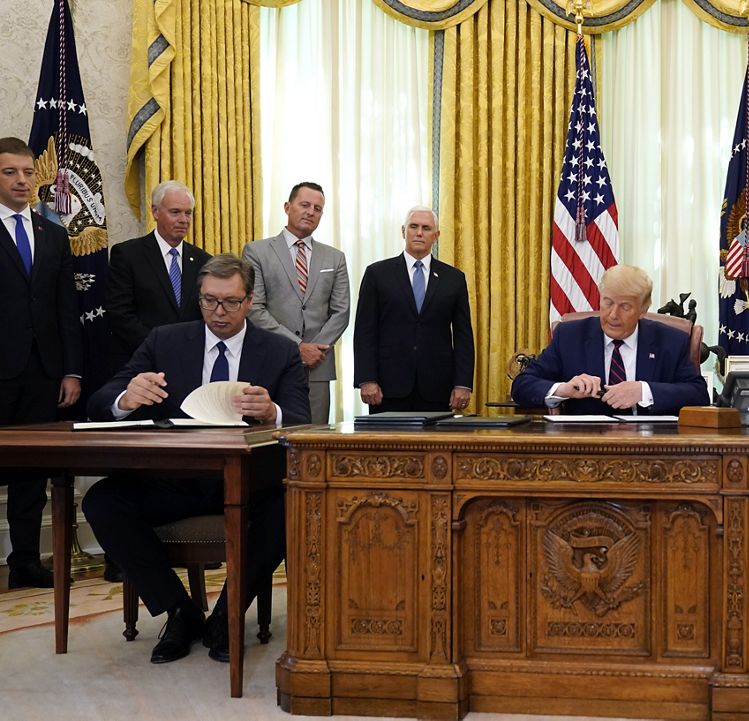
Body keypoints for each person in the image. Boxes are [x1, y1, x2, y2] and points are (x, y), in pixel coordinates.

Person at [82, 254, 309, 664]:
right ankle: (179, 611)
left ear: (250, 300)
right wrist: (124, 398)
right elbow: (100, 401)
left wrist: (271, 410)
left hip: (251, 484)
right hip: (175, 482)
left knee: (291, 506)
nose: (218, 312)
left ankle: (226, 614)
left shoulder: (279, 351)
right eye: (208, 301)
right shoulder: (164, 341)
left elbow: (304, 422)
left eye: (230, 302)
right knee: (102, 501)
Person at [0, 137, 81, 589]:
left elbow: (66, 307)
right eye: (10, 172)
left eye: (28, 172)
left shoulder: (53, 233)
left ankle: (25, 562)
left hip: (42, 372)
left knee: (31, 474)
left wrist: (71, 370)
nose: (22, 181)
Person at [511, 264, 709, 414]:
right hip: (585, 451)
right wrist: (565, 389)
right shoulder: (570, 336)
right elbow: (522, 386)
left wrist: (643, 391)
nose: (613, 314)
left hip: (652, 451)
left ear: (643, 310)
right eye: (607, 303)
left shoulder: (670, 340)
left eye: (625, 307)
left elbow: (698, 394)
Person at [243, 181, 350, 423]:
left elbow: (341, 311)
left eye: (318, 208)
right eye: (305, 205)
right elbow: (254, 308)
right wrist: (297, 347)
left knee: (315, 438)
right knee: (269, 436)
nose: (311, 212)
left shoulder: (335, 257)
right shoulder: (256, 251)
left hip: (318, 366)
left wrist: (315, 350)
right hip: (272, 358)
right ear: (287, 207)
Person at [354, 207, 474, 412]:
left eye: (426, 228)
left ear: (436, 235)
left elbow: (463, 335)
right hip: (387, 389)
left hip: (437, 388)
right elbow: (365, 331)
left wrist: (462, 384)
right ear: (403, 231)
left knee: (434, 445)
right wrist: (366, 379)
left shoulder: (453, 278)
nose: (419, 233)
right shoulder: (377, 274)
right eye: (414, 226)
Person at [105, 180, 211, 369]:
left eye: (188, 213)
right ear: (155, 212)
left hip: (191, 362)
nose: (183, 220)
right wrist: (160, 346)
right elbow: (120, 314)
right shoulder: (128, 254)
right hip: (143, 361)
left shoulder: (204, 260)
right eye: (175, 212)